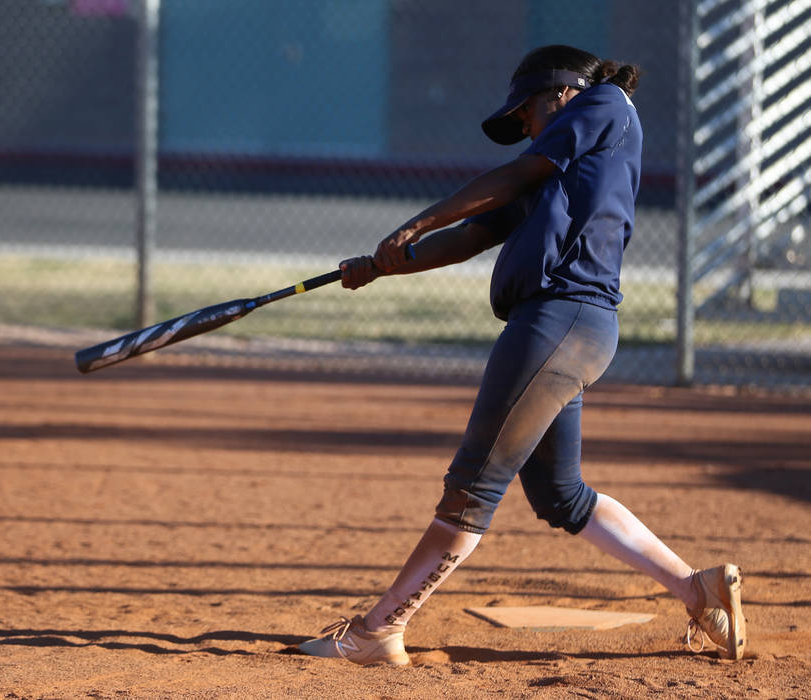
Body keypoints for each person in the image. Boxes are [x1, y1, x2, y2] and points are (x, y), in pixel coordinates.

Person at [297, 45, 746, 665]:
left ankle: (378, 630)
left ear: (560, 93)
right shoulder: (559, 169)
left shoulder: (604, 105)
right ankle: (699, 589)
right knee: (560, 495)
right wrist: (381, 265)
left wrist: (415, 222)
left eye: (528, 114)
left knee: (473, 487)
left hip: (557, 322)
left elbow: (510, 177)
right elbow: (474, 234)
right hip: (569, 329)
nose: (526, 130)